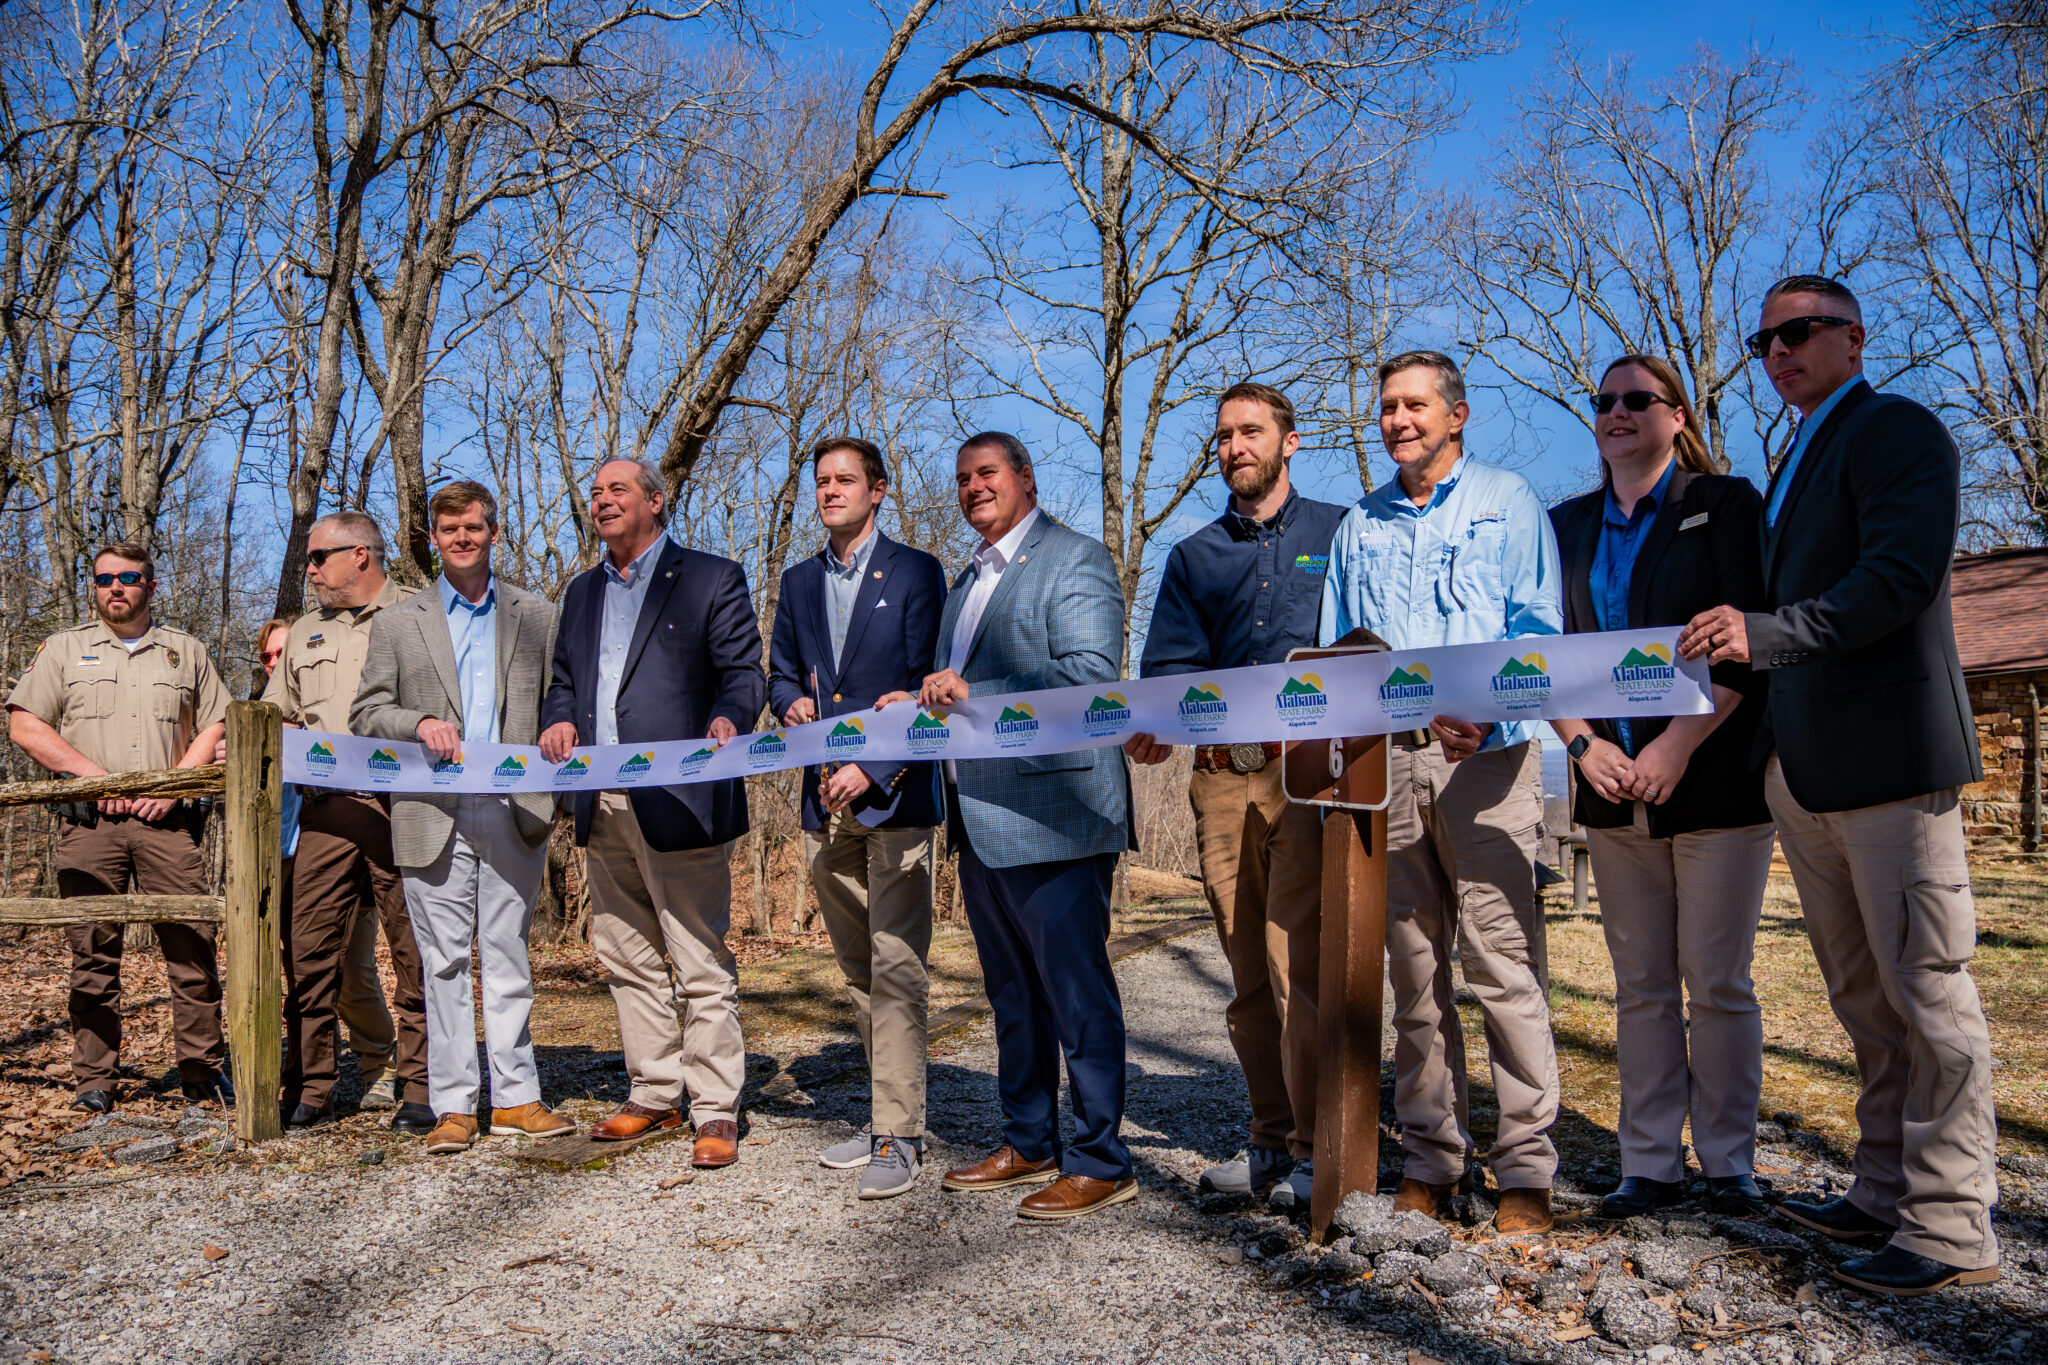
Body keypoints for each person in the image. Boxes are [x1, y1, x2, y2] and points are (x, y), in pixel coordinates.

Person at [1681, 275, 2000, 1296]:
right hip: (1806, 773)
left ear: (1853, 339)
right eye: (1762, 339)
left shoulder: (1896, 430)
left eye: (1798, 331)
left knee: (1926, 995)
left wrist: (1762, 635)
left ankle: (1950, 1229)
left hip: (1893, 763)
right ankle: (1881, 1188)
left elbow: (1898, 578)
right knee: (1863, 1000)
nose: (1776, 351)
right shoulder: (1793, 455)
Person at [1318, 350, 1563, 1236]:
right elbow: (1338, 653)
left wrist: (1491, 717)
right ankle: (1432, 1159)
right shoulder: (1358, 525)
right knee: (1414, 972)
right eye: (1386, 408)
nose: (1397, 420)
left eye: (1415, 405)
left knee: (1503, 964)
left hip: (1487, 762)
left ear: (1457, 415)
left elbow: (1539, 631)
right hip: (1388, 769)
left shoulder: (1510, 501)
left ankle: (1527, 1168)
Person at [1548, 356, 1773, 1219]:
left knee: (1717, 980)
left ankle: (1728, 1163)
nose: (1616, 412)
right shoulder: (1564, 525)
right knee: (1640, 982)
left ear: (1677, 416)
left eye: (1637, 399)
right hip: (1610, 785)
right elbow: (1544, 652)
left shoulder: (1725, 505)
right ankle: (1647, 1162)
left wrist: (1679, 747)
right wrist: (1580, 747)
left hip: (1715, 781)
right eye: (1603, 401)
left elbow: (1745, 636)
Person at [901, 431, 1137, 1221]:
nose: (973, 487)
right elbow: (948, 696)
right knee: (1012, 997)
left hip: (1058, 814)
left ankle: (1102, 1157)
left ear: (1025, 479)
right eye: (963, 477)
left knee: (1076, 995)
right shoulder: (965, 580)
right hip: (978, 817)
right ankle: (1030, 1139)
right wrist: (916, 704)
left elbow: (1089, 677)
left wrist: (973, 688)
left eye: (987, 473)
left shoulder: (1075, 560)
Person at [1124, 382, 1349, 1203]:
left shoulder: (1342, 531)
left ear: (1291, 442)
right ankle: (1267, 1140)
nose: (1234, 446)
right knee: (1247, 969)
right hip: (1222, 780)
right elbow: (1169, 673)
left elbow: (1365, 645)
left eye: (1251, 431)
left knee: (1300, 967)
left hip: (1311, 776)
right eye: (1223, 435)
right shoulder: (1193, 556)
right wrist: (1157, 722)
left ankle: (1320, 1149)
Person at [539, 459, 765, 1169]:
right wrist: (557, 721)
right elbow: (564, 682)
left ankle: (716, 1105)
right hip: (598, 797)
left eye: (618, 490)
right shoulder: (580, 591)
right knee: (626, 956)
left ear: (656, 502)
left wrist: (731, 719)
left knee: (698, 958)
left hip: (682, 794)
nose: (602, 501)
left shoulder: (710, 575)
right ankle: (654, 1089)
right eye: (596, 493)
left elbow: (743, 673)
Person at [351, 481, 574, 1154]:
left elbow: (559, 695)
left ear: (494, 532)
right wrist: (415, 722)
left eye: (473, 527)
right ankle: (453, 1106)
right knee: (443, 961)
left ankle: (516, 1098)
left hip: (514, 805)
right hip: (429, 809)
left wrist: (562, 725)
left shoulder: (536, 614)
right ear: (432, 539)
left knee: (507, 954)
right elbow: (365, 714)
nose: (461, 538)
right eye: (448, 530)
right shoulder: (397, 621)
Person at [767, 436, 946, 1198]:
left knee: (898, 966)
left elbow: (922, 690)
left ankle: (900, 1136)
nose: (831, 491)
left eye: (846, 480)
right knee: (860, 971)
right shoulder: (800, 581)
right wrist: (789, 702)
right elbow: (776, 671)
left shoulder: (916, 572)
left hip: (896, 798)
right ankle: (883, 1115)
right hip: (821, 807)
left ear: (879, 490)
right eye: (822, 481)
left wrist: (870, 767)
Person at [5, 543, 232, 1112]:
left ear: (150, 587)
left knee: (192, 949)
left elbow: (219, 725)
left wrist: (175, 785)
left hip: (168, 825)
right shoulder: (63, 649)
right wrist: (96, 780)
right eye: (104, 579)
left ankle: (203, 1074)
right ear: (95, 587)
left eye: (128, 578)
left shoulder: (186, 652)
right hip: (91, 825)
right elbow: (25, 725)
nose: (115, 588)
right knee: (93, 954)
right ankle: (94, 1081)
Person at [262, 512, 429, 1134]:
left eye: (318, 557)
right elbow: (277, 713)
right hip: (328, 809)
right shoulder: (306, 630)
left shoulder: (422, 613)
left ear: (361, 555)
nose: (309, 570)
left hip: (409, 806)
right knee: (308, 950)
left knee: (416, 950)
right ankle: (312, 1087)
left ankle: (420, 1087)